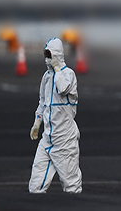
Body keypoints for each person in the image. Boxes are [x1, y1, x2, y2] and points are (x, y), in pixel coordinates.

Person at [28, 37, 82, 193]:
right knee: (35, 186)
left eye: (49, 55)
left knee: (71, 186)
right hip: (48, 138)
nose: (47, 59)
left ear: (57, 55)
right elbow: (42, 102)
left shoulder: (68, 74)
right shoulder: (46, 77)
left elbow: (63, 89)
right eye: (45, 55)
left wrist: (57, 68)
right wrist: (37, 123)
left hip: (65, 140)